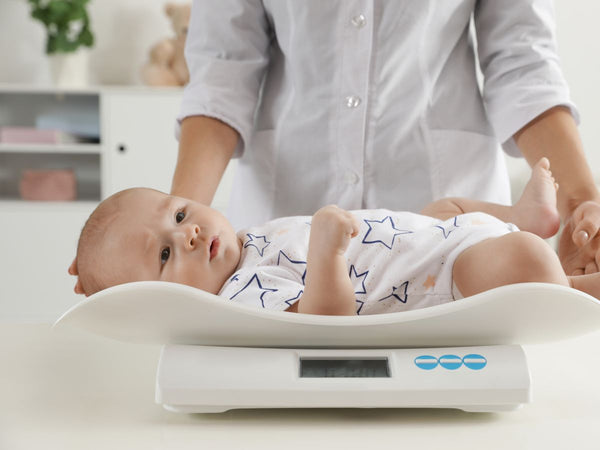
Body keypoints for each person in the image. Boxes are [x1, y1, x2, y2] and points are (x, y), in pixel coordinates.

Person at [172, 0, 600, 278]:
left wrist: (583, 206)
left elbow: (522, 65)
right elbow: (221, 76)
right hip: (282, 231)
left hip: (449, 226)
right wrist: (172, 231)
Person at [69, 158, 600, 316]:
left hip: (435, 236)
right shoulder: (240, 295)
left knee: (444, 206)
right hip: (442, 277)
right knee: (528, 264)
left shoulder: (243, 241)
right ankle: (580, 287)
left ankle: (523, 214)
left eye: (180, 213)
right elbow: (324, 324)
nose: (188, 234)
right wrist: (326, 253)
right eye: (164, 253)